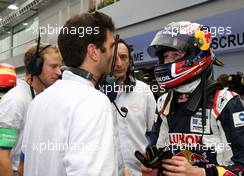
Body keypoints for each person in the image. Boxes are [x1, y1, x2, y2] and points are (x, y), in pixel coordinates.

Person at [136, 21, 244, 176]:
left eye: (176, 55)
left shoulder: (224, 101)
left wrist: (200, 173)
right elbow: (158, 154)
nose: (167, 61)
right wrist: (153, 168)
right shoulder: (164, 102)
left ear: (197, 55)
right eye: (165, 56)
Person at [21, 12, 117, 176]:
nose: (112, 54)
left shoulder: (39, 100)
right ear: (93, 52)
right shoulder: (93, 102)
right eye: (111, 46)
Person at [0, 43, 62, 176]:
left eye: (59, 66)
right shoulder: (16, 100)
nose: (59, 72)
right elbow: (1, 156)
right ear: (35, 67)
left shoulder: (40, 98)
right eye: (53, 66)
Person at [111, 39, 156, 175]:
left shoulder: (144, 91)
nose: (119, 63)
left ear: (130, 61)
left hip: (141, 172)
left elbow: (153, 132)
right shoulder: (96, 93)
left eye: (123, 57)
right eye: (114, 58)